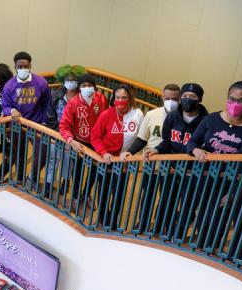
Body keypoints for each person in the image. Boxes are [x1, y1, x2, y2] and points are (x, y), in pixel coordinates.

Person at [186, 81, 242, 248]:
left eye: (241, 100)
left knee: (218, 218)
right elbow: (192, 142)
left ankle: (211, 249)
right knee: (202, 215)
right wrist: (196, 151)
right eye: (232, 99)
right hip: (206, 178)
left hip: (230, 183)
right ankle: (201, 247)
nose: (235, 104)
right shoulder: (212, 119)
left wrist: (235, 191)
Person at [140, 83, 208, 236]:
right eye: (184, 96)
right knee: (166, 200)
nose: (187, 99)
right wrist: (156, 150)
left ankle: (178, 234)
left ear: (199, 99)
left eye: (192, 97)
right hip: (171, 169)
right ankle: (159, 229)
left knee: (187, 204)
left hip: (192, 172)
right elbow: (166, 142)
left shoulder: (206, 120)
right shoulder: (172, 117)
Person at [91, 84, 144, 229]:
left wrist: (134, 153)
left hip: (124, 163)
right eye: (118, 97)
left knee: (119, 194)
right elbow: (95, 136)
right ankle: (102, 220)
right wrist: (103, 152)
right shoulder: (106, 114)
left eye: (124, 98)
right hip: (106, 160)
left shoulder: (138, 114)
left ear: (130, 98)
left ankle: (112, 221)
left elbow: (142, 137)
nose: (121, 100)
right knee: (103, 192)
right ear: (114, 98)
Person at [2, 51, 51, 186]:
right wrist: (12, 110)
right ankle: (20, 178)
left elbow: (46, 103)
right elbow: (5, 105)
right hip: (17, 125)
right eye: (20, 66)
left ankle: (32, 176)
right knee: (19, 154)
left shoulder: (41, 82)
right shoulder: (9, 85)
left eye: (26, 66)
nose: (23, 69)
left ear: (30, 66)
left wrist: (44, 121)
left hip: (36, 125)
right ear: (15, 67)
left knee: (42, 153)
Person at [59, 73, 108, 203]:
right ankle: (75, 196)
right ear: (79, 87)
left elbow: (106, 119)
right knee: (78, 171)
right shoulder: (73, 103)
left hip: (97, 142)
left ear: (94, 87)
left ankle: (86, 194)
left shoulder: (101, 99)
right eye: (84, 85)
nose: (87, 88)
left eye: (89, 85)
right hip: (79, 142)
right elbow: (64, 126)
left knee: (94, 170)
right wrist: (71, 141)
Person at [45, 64, 87, 196]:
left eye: (74, 80)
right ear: (63, 80)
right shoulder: (55, 95)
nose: (71, 82)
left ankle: (65, 182)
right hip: (56, 133)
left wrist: (71, 137)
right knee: (52, 158)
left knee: (68, 160)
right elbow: (50, 115)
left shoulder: (82, 98)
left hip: (73, 137)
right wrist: (58, 133)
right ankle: (49, 183)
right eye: (68, 79)